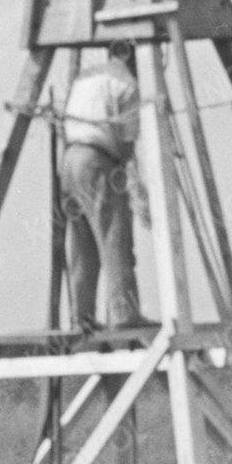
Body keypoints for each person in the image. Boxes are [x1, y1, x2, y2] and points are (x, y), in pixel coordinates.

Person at [47, 45, 144, 334]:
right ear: (131, 55)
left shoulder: (86, 77)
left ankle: (82, 318)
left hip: (70, 160)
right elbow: (126, 147)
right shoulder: (127, 85)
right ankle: (124, 315)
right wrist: (131, 181)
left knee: (82, 244)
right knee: (115, 237)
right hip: (97, 161)